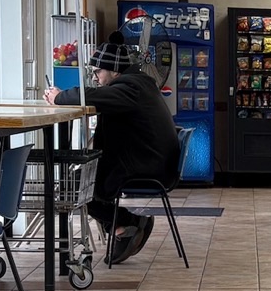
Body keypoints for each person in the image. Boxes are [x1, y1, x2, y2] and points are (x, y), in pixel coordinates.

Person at [54, 43, 181, 265]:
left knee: (74, 184)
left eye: (97, 72)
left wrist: (59, 97)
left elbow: (93, 96)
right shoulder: (138, 84)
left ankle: (126, 225)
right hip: (151, 160)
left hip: (147, 166)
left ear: (114, 70)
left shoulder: (129, 88)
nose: (95, 78)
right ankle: (126, 225)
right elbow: (99, 94)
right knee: (81, 179)